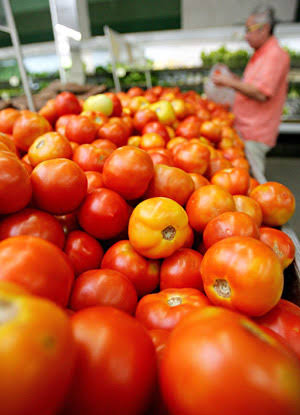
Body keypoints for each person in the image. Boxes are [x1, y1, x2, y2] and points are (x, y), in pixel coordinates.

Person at [212, 6, 290, 179]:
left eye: (249, 30)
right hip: (246, 126)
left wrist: (228, 82)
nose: (246, 36)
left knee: (256, 181)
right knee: (246, 176)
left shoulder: (274, 55)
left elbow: (261, 93)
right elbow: (252, 85)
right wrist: (235, 79)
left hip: (256, 130)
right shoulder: (260, 55)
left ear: (265, 29)